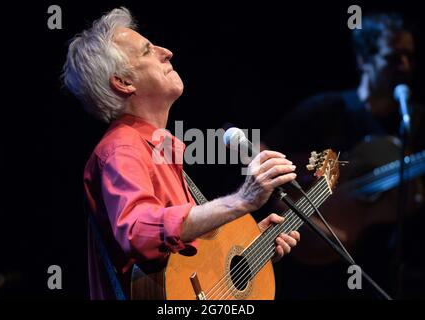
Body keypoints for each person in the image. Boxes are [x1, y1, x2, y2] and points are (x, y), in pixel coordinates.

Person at [62, 7, 300, 300]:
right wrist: (242, 201)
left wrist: (250, 250)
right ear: (123, 82)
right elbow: (137, 231)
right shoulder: (121, 149)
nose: (167, 52)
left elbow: (182, 265)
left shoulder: (157, 148)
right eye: (148, 51)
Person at [264, 13, 425, 298]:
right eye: (393, 57)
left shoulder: (416, 123)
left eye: (410, 56)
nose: (405, 66)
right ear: (364, 59)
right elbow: (265, 155)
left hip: (386, 270)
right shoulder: (327, 111)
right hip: (316, 275)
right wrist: (287, 202)